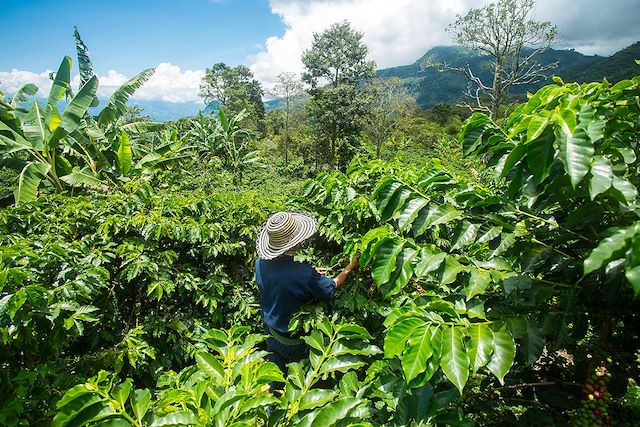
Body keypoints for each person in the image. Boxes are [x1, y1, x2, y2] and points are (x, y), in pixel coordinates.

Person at [255, 211, 359, 372]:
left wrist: (309, 275)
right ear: (295, 243)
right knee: (300, 378)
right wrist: (350, 267)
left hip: (271, 334)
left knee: (275, 379)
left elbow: (282, 282)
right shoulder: (303, 274)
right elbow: (332, 286)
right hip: (295, 342)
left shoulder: (260, 263)